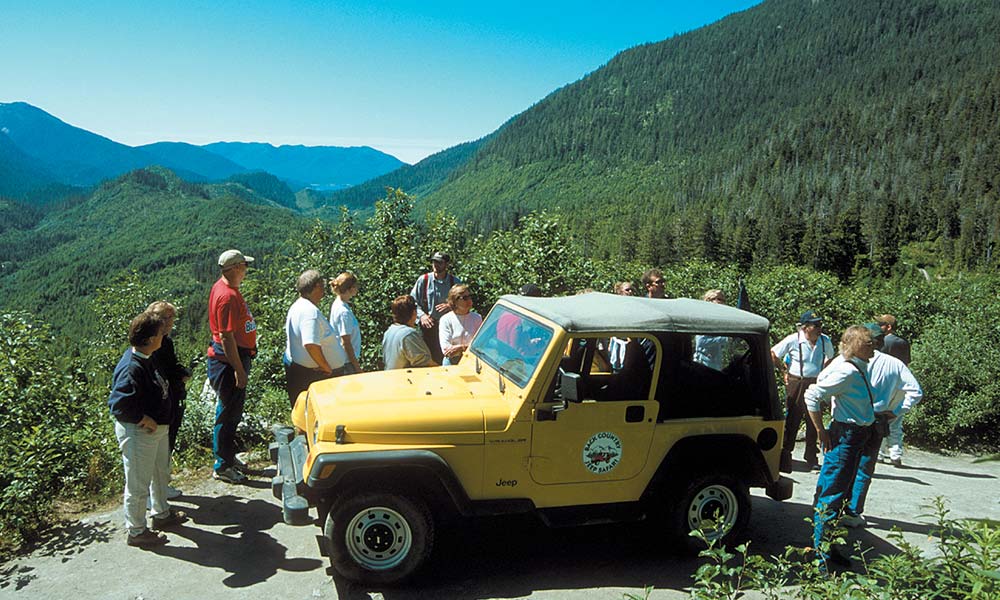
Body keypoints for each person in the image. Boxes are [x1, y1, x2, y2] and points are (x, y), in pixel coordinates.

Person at [109, 311, 187, 547]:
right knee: (138, 484)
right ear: (150, 338)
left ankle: (161, 514)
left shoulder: (147, 356)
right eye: (160, 332)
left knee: (160, 474)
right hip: (140, 433)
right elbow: (119, 404)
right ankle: (136, 531)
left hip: (157, 431)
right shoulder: (132, 367)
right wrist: (145, 419)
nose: (164, 334)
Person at [803, 325, 879, 568]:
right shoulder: (846, 370)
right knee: (832, 494)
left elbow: (822, 380)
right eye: (868, 343)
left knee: (839, 493)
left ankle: (827, 546)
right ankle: (820, 556)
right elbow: (812, 395)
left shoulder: (847, 364)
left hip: (855, 436)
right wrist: (819, 431)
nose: (873, 347)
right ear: (855, 346)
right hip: (846, 435)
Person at [840, 323, 923, 528]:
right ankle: (853, 511)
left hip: (850, 418)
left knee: (843, 465)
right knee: (865, 467)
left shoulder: (848, 359)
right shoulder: (894, 364)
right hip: (878, 419)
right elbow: (916, 392)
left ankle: (835, 509)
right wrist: (895, 411)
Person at [206, 249, 257, 484]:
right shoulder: (226, 296)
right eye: (244, 266)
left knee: (232, 412)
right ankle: (222, 465)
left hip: (234, 359)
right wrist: (239, 369)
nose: (246, 269)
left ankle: (227, 456)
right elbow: (226, 337)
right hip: (229, 363)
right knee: (227, 413)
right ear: (235, 268)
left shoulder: (227, 289)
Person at [772, 310, 836, 472]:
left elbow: (831, 358)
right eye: (816, 325)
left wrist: (824, 374)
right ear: (805, 327)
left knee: (813, 420)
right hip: (797, 382)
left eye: (820, 324)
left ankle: (811, 456)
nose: (819, 328)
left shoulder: (825, 341)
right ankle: (785, 455)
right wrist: (783, 371)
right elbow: (773, 353)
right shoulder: (793, 340)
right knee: (792, 418)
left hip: (816, 383)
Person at [284, 270, 349, 408]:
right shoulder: (309, 312)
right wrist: (327, 367)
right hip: (316, 375)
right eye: (322, 287)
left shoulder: (298, 305)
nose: (324, 291)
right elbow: (310, 344)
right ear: (317, 286)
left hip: (306, 371)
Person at [147, 301, 191, 500]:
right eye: (170, 318)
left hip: (170, 401)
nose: (172, 322)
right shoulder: (153, 344)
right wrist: (179, 376)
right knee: (157, 448)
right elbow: (160, 372)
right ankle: (153, 494)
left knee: (166, 444)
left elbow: (170, 366)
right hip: (159, 403)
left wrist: (181, 372)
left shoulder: (166, 341)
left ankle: (161, 487)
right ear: (161, 320)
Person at [410, 251, 461, 364]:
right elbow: (413, 301)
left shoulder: (455, 282)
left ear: (446, 265)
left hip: (448, 328)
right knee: (425, 359)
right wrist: (422, 316)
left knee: (445, 357)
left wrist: (450, 305)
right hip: (428, 327)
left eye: (439, 263)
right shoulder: (424, 280)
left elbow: (463, 303)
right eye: (434, 262)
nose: (436, 265)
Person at [877, 314, 913, 466]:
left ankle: (879, 452)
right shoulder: (903, 343)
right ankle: (895, 454)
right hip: (900, 384)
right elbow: (907, 364)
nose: (878, 327)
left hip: (884, 385)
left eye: (881, 324)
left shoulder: (881, 342)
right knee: (896, 420)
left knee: (880, 418)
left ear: (888, 327)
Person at [383, 295, 437, 370]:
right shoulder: (408, 334)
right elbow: (424, 362)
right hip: (405, 379)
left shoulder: (389, 331)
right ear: (414, 313)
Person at [438, 284, 482, 366]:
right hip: (452, 362)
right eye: (465, 298)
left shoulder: (477, 318)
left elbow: (480, 345)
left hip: (471, 361)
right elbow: (446, 350)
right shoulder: (446, 320)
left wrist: (461, 348)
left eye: (469, 297)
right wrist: (468, 346)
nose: (469, 300)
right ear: (454, 302)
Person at [329, 272, 364, 375]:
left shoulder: (338, 303)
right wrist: (357, 367)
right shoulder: (343, 312)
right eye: (356, 286)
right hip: (347, 363)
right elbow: (346, 343)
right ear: (351, 288)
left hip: (343, 360)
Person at [694, 289, 728, 371]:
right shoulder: (704, 318)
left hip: (715, 365)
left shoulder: (718, 319)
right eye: (719, 299)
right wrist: (724, 339)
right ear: (709, 300)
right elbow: (700, 342)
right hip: (703, 365)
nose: (722, 302)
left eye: (723, 300)